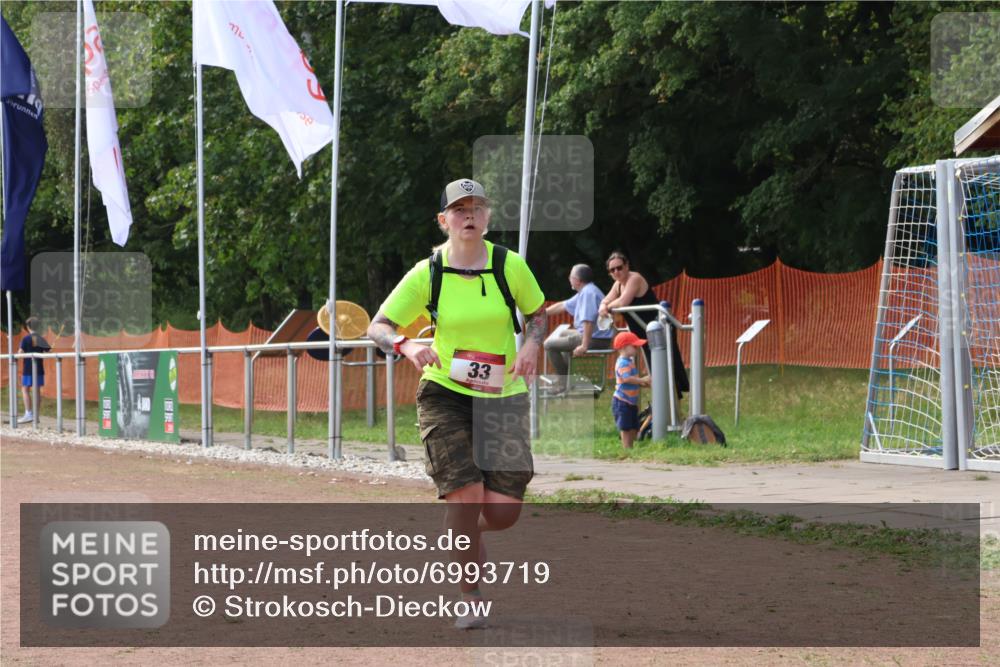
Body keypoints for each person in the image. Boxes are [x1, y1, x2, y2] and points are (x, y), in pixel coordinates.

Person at [366, 178, 546, 629]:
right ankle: (469, 595)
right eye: (459, 209)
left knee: (502, 513)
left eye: (477, 207)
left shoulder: (509, 266)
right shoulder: (428, 273)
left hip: (503, 396)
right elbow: (378, 326)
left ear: (487, 217)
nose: (469, 215)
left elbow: (538, 314)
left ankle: (459, 529)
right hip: (445, 392)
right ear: (443, 220)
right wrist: (406, 344)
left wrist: (531, 345)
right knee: (465, 497)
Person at [598, 250, 689, 398]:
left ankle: (671, 406)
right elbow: (606, 299)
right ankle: (663, 406)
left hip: (658, 329)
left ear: (627, 266)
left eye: (619, 267)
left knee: (666, 368)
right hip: (644, 332)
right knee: (655, 370)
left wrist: (606, 307)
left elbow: (622, 302)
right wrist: (603, 305)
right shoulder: (618, 285)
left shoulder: (635, 278)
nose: (616, 272)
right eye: (612, 270)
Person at [543, 264, 612, 391]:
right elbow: (563, 305)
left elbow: (588, 321)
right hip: (594, 336)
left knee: (548, 345)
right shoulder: (585, 290)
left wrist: (584, 346)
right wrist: (541, 313)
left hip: (596, 339)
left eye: (570, 276)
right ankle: (569, 377)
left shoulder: (588, 293)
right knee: (562, 334)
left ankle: (563, 382)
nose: (569, 279)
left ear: (577, 280)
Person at [612, 331, 650, 449]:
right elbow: (627, 379)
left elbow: (633, 380)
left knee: (634, 426)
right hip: (622, 401)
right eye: (634, 346)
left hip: (630, 401)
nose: (637, 348)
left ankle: (630, 446)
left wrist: (643, 383)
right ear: (624, 347)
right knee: (625, 427)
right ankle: (627, 448)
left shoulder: (629, 361)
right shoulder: (623, 363)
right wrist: (642, 379)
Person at [18, 316, 49, 423]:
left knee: (25, 389)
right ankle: (36, 416)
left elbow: (20, 353)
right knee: (37, 391)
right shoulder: (40, 338)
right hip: (39, 368)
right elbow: (48, 351)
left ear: (28, 326)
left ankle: (28, 414)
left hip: (28, 369)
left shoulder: (26, 339)